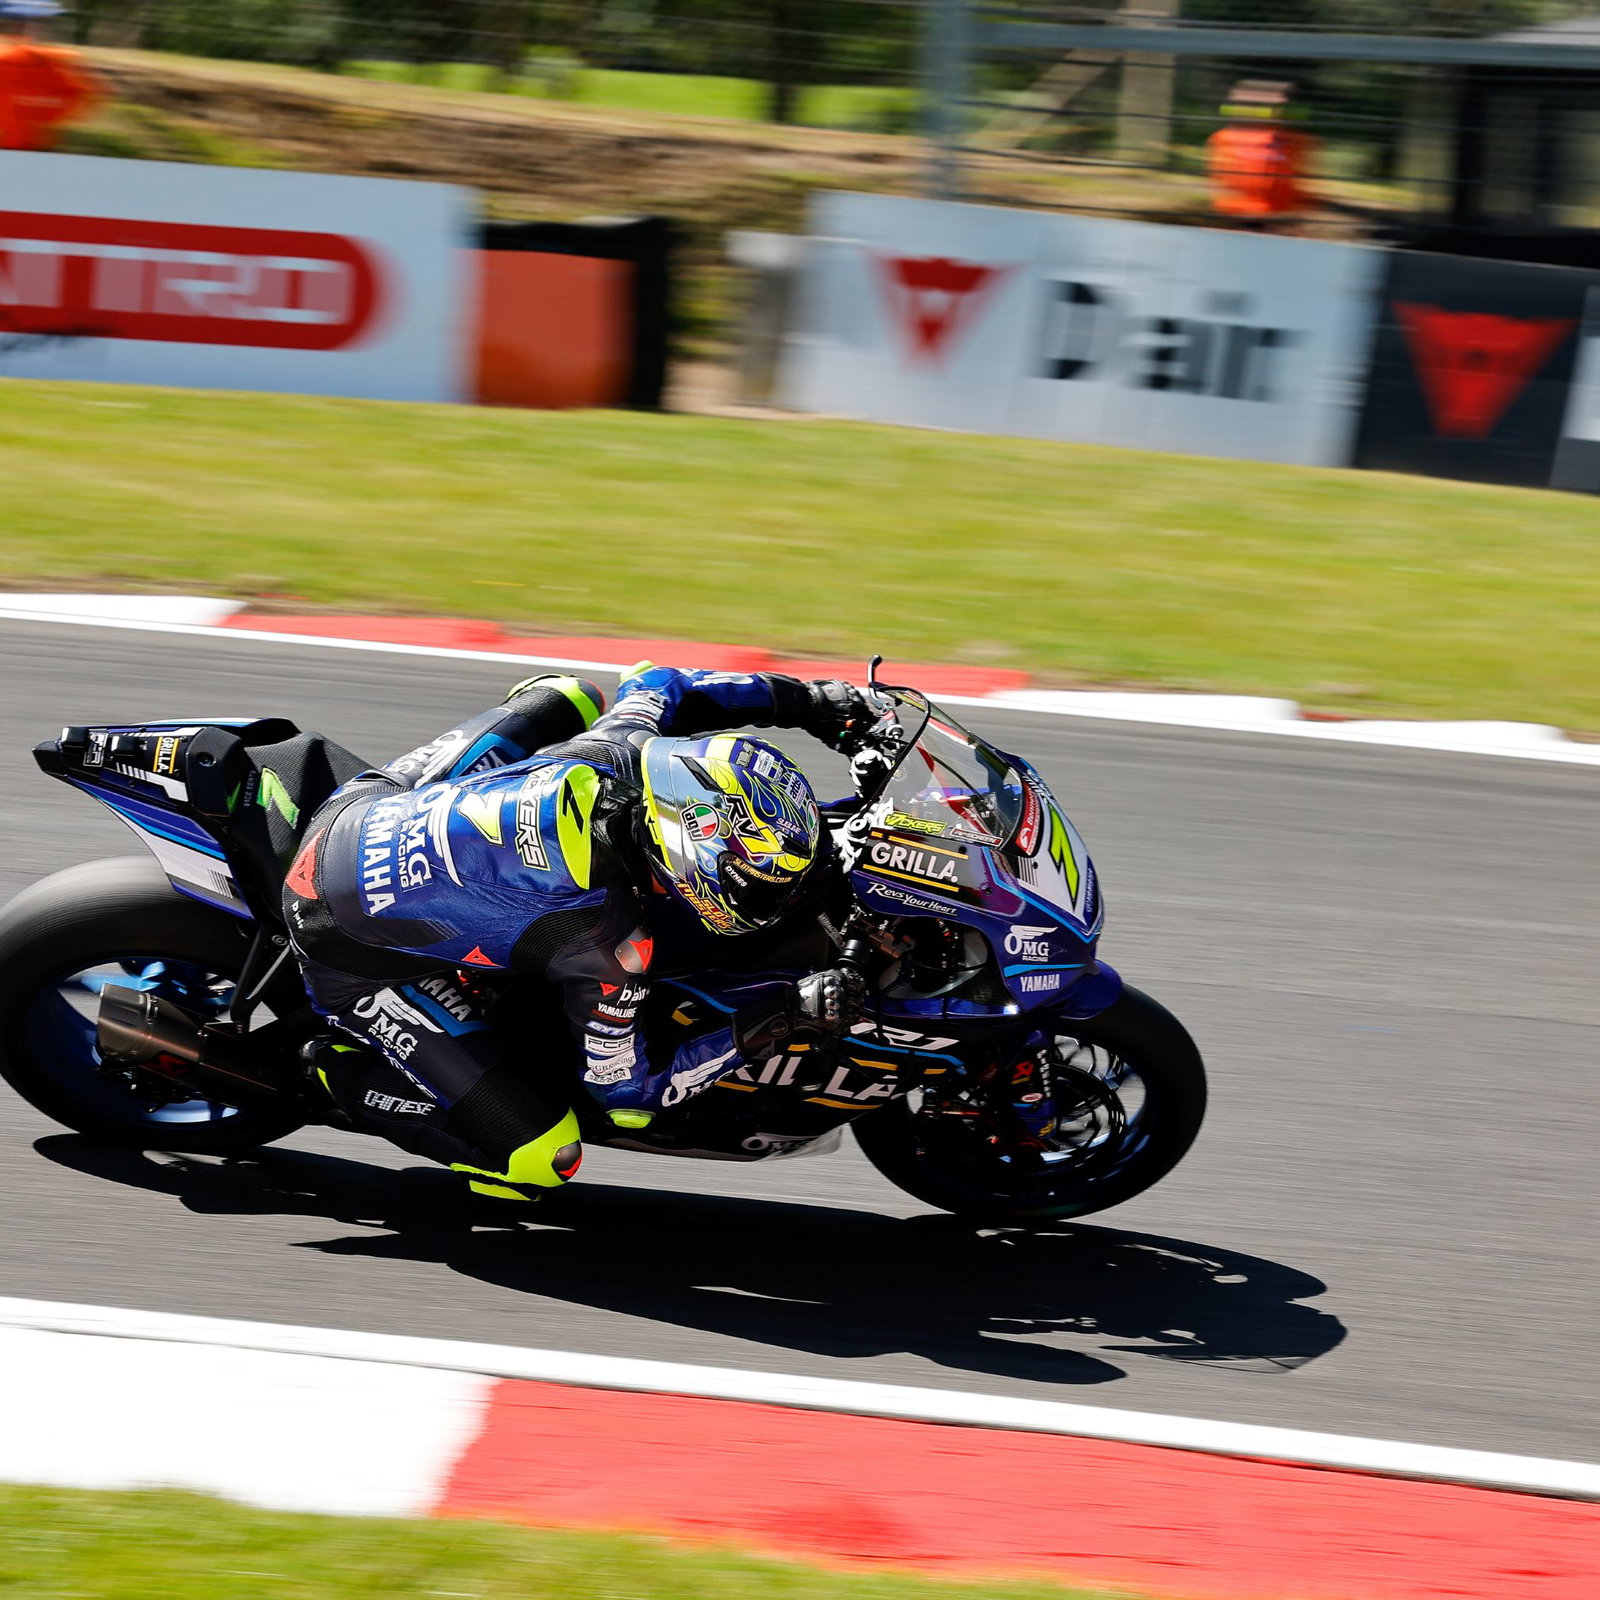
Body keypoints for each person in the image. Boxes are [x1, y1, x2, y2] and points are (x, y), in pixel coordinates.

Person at [282, 663, 878, 1201]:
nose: (773, 897)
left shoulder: (622, 748)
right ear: (687, 854)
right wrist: (780, 1014)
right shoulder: (610, 943)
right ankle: (339, 1072)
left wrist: (815, 702)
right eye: (759, 882)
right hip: (340, 938)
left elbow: (660, 681)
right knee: (539, 1156)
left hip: (364, 803)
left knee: (570, 695)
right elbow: (630, 1097)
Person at [1206, 79, 1317, 229]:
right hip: (1234, 216)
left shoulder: (1297, 141)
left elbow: (1303, 182)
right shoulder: (1223, 138)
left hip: (1277, 218)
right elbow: (1220, 180)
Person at [0, 0, 99, 153]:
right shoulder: (58, 61)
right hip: (35, 144)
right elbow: (81, 94)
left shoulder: (52, 61)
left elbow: (79, 93)